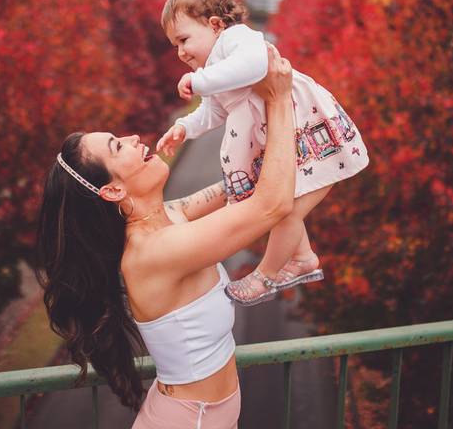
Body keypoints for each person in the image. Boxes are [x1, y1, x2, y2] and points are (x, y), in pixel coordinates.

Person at [35, 45, 296, 428]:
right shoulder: (154, 252)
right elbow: (271, 206)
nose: (133, 137)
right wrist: (280, 99)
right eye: (117, 146)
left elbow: (235, 186)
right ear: (112, 191)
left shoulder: (166, 217)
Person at [156, 0, 370, 307]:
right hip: (279, 142)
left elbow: (254, 66)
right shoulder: (214, 70)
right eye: (175, 46)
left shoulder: (237, 40)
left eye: (183, 40)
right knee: (281, 205)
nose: (180, 52)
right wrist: (185, 126)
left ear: (215, 24)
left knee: (284, 209)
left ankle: (268, 273)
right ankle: (301, 257)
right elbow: (213, 112)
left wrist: (201, 81)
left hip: (302, 129)